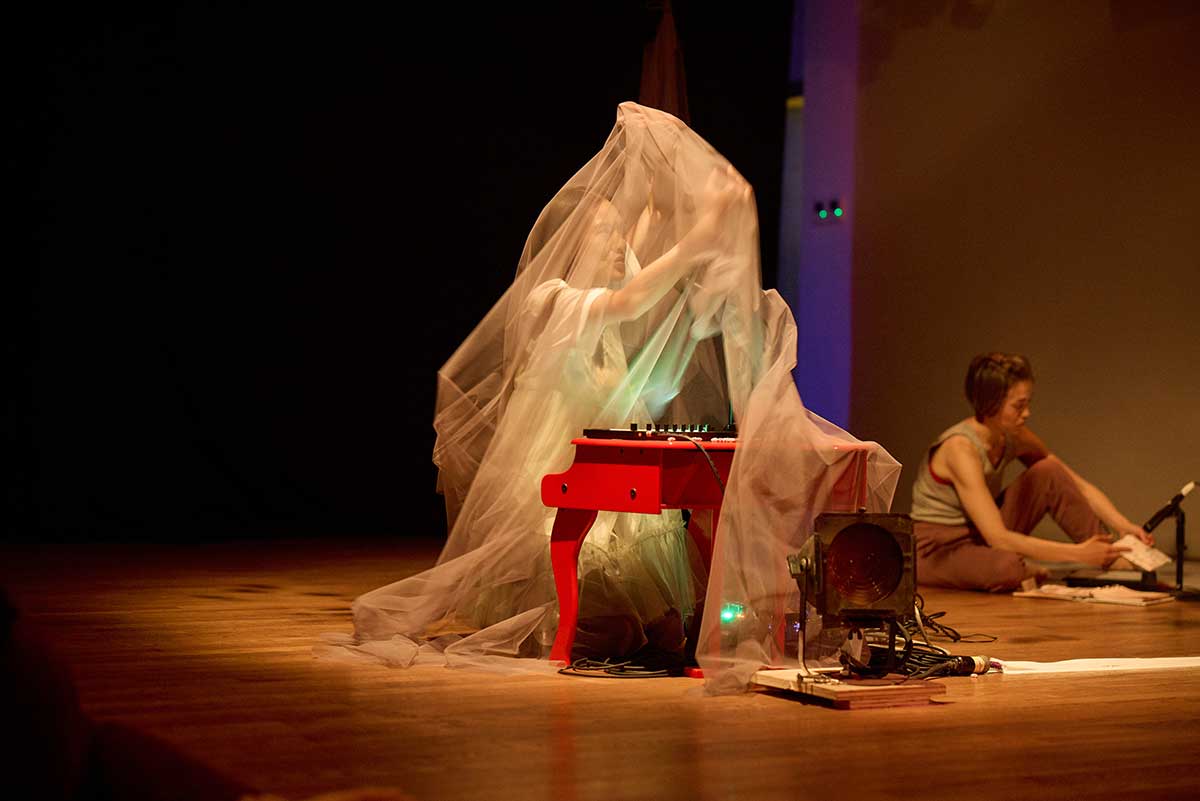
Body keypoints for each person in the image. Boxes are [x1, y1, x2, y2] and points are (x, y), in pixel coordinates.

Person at [326, 103, 901, 693]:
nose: (612, 249)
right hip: (557, 462)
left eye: (614, 238)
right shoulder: (552, 300)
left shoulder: (612, 295)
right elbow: (628, 300)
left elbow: (647, 277)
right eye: (600, 238)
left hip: (615, 460)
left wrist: (675, 190)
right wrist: (697, 238)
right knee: (607, 618)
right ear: (571, 244)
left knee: (656, 614)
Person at [910, 352, 1150, 592]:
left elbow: (1073, 483)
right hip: (938, 548)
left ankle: (1109, 555)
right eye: (1018, 406)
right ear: (991, 404)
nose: (1026, 413)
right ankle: (1025, 567)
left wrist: (1122, 524)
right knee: (1008, 567)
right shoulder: (960, 449)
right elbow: (998, 537)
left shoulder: (1013, 435)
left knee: (1049, 470)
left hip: (979, 536)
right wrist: (1079, 554)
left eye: (1027, 404)